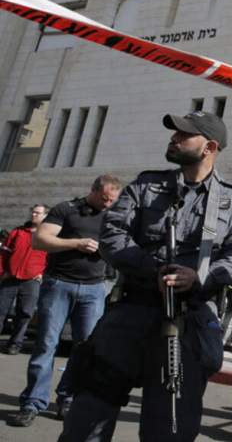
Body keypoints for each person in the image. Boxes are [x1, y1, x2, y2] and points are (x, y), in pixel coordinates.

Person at [59, 111, 232, 442]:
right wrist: (153, 268)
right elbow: (112, 234)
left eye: (184, 135)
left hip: (188, 320)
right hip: (130, 313)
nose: (174, 139)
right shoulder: (146, 185)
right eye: (174, 133)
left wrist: (199, 277)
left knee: (170, 429)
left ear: (209, 147)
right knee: (86, 421)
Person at [8, 176, 121, 428]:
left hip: (94, 289)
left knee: (84, 348)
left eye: (112, 200)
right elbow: (40, 240)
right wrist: (76, 243)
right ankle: (32, 402)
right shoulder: (66, 209)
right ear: (92, 191)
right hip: (59, 284)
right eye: (104, 198)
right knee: (46, 344)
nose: (108, 204)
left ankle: (68, 398)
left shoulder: (113, 217)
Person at [0, 204, 48, 355]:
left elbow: (53, 259)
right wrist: (3, 272)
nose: (34, 215)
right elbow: (3, 254)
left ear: (45, 216)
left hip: (31, 281)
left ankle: (15, 344)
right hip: (10, 278)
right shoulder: (17, 232)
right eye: (33, 212)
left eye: (37, 213)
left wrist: (42, 274)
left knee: (25, 313)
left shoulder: (48, 236)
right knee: (0, 310)